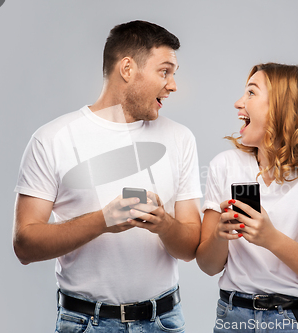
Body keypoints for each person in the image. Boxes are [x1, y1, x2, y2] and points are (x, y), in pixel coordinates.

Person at [13, 20, 202, 332]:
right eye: (164, 71)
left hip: (164, 321)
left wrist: (164, 224)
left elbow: (191, 247)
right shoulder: (52, 139)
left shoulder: (180, 139)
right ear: (127, 69)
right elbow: (24, 245)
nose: (173, 85)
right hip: (86, 323)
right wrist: (103, 220)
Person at [196, 63, 298, 333]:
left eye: (251, 93)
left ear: (282, 107)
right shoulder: (224, 165)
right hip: (232, 318)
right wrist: (219, 236)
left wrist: (272, 239)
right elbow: (208, 265)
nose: (238, 103)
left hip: (296, 319)